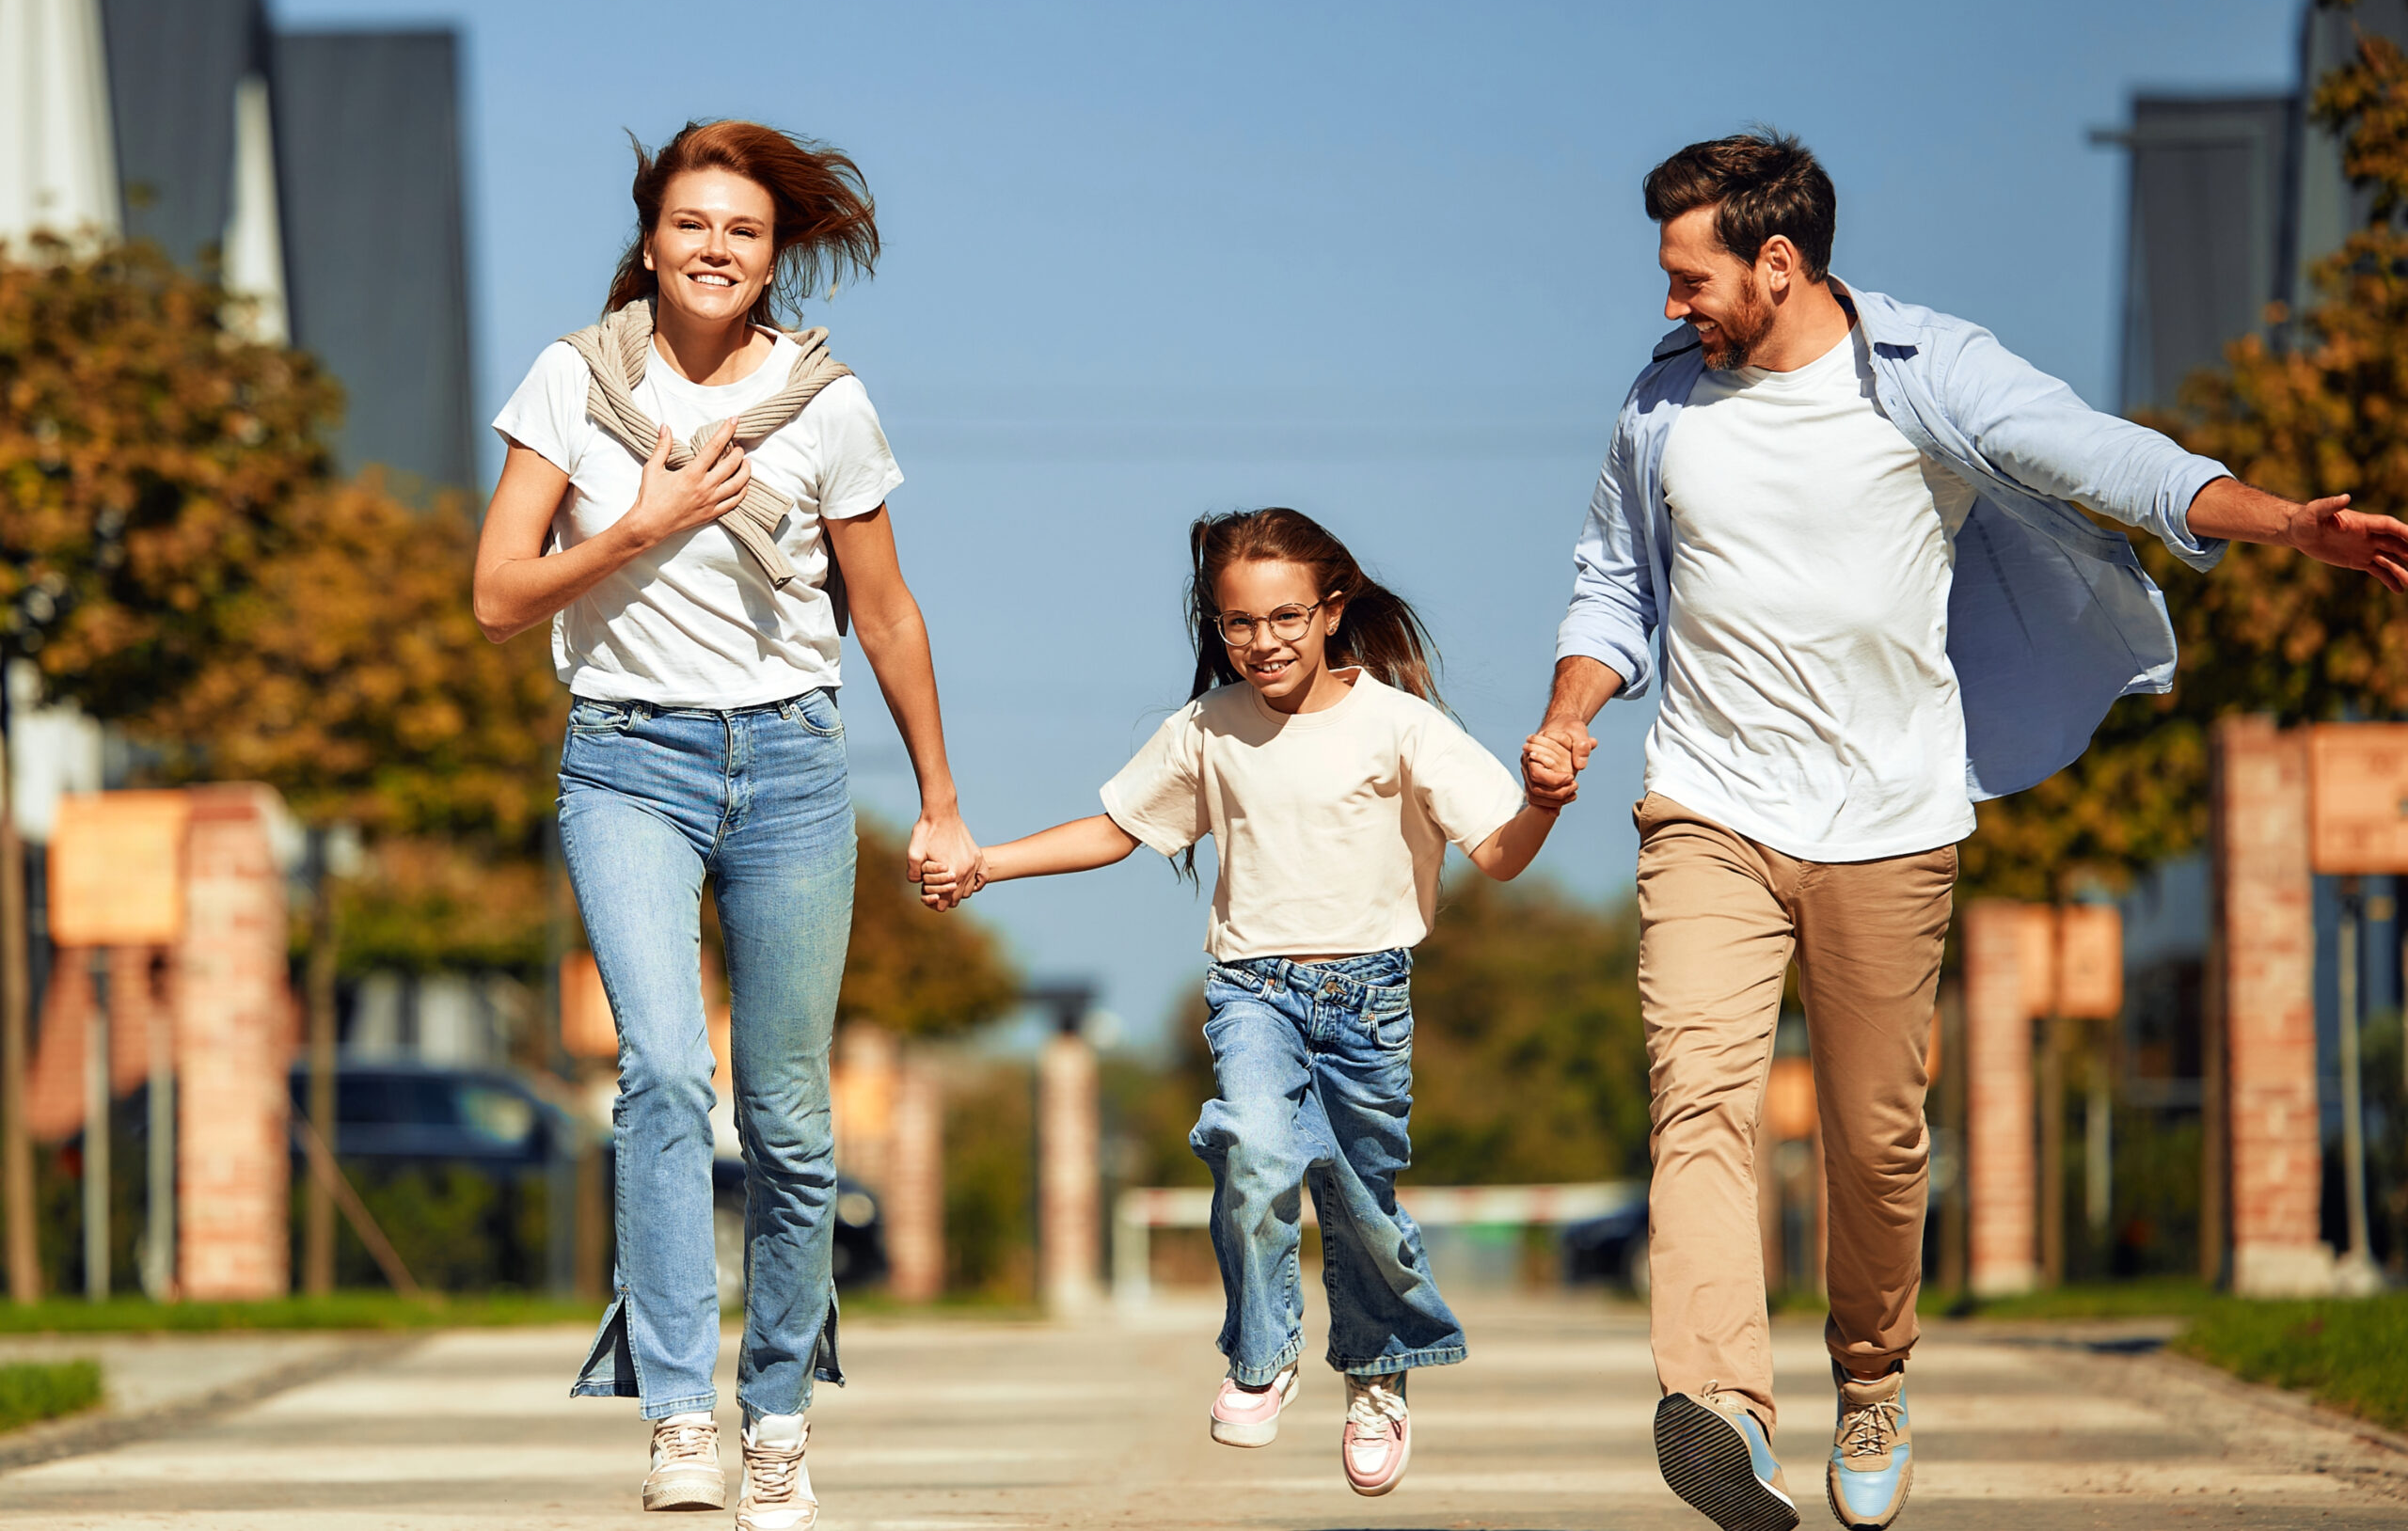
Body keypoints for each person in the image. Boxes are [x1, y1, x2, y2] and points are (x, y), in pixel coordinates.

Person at [1525, 131, 2408, 1531]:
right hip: (1709, 802)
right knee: (1696, 1097)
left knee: (1879, 1138)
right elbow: (1609, 585)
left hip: (1887, 815)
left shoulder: (1927, 373)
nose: (1671, 301)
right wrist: (1575, 708)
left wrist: (2285, 523)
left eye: (1691, 276)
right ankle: (1722, 1409)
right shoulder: (1662, 402)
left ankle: (1869, 1378)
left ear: (1779, 260)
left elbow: (2107, 458)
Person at [471, 119, 980, 1531]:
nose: (714, 246)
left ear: (774, 257)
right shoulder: (573, 382)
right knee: (661, 1075)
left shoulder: (827, 406)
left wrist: (939, 801)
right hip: (626, 756)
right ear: (651, 239)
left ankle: (778, 1414)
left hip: (794, 767)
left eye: (743, 230)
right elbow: (501, 596)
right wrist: (639, 522)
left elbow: (884, 613)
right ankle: (679, 1410)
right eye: (692, 222)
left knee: (792, 1117)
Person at [919, 507, 1568, 1497]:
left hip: (1369, 998)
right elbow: (1115, 829)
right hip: (1252, 993)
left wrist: (1545, 803)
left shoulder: (1398, 724)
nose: (1262, 641)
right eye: (1238, 623)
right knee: (1253, 1148)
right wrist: (984, 865)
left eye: (1284, 618)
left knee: (1359, 1202)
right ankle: (1261, 1358)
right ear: (1215, 625)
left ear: (1331, 609)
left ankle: (1377, 1373)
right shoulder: (1208, 730)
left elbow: (1501, 857)